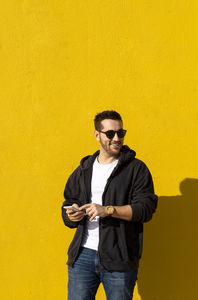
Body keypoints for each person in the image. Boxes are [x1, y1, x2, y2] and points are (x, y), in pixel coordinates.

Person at [62, 110, 157, 300]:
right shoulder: (84, 168)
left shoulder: (136, 169)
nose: (116, 138)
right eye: (110, 133)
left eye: (120, 133)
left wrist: (107, 210)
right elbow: (68, 200)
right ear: (97, 135)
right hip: (83, 255)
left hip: (119, 258)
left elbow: (145, 209)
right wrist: (71, 215)